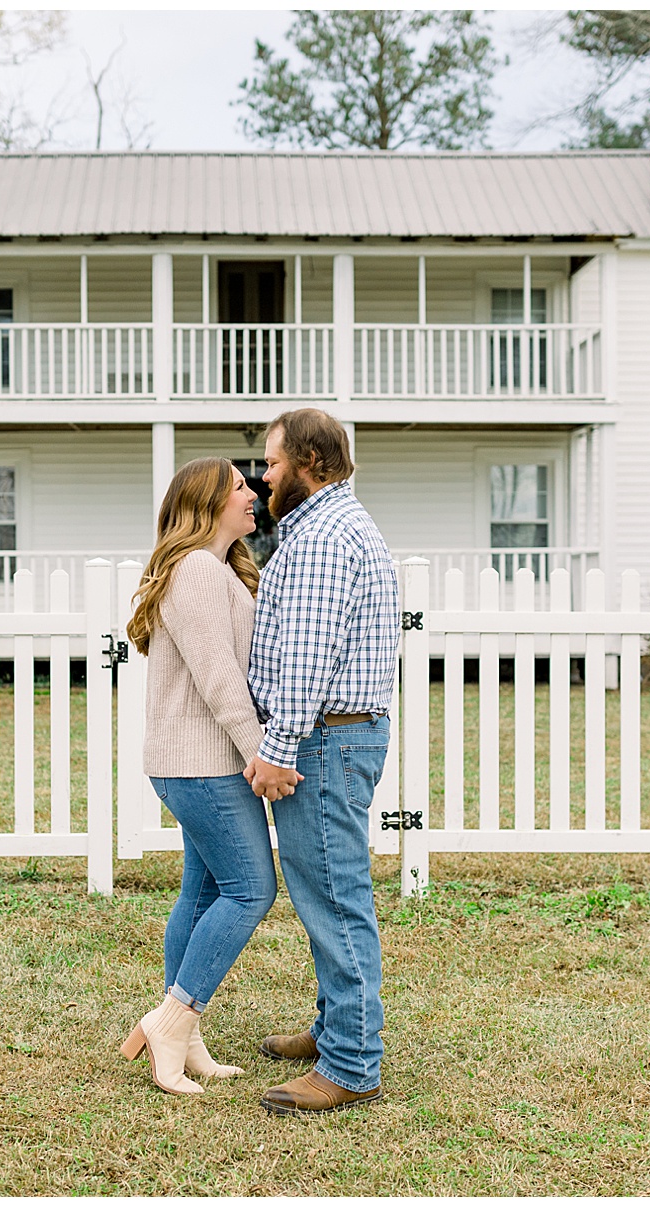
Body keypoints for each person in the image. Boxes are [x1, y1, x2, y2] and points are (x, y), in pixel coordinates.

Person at [243, 408, 400, 1117]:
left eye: (272, 463)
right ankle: (336, 1025)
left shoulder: (324, 539)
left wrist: (277, 751)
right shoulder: (331, 527)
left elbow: (308, 660)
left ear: (309, 460)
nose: (263, 476)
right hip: (336, 735)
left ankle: (351, 1064)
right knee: (324, 890)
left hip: (324, 739)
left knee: (335, 897)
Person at [117, 457, 280, 1095]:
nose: (254, 491)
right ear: (208, 502)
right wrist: (260, 751)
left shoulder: (213, 569)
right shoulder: (199, 571)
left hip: (190, 762)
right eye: (240, 486)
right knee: (250, 889)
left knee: (205, 893)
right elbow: (219, 680)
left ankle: (182, 1036)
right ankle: (173, 1019)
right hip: (203, 764)